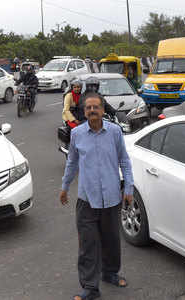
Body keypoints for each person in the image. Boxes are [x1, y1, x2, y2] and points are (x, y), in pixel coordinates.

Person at [60, 92, 134, 300]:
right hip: (86, 200)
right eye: (88, 108)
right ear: (84, 112)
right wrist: (65, 186)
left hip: (111, 197)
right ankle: (90, 288)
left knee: (111, 240)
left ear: (102, 110)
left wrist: (128, 188)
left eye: (96, 107)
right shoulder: (77, 134)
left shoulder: (114, 132)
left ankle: (110, 273)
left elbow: (125, 161)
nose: (92, 111)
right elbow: (72, 162)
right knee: (88, 244)